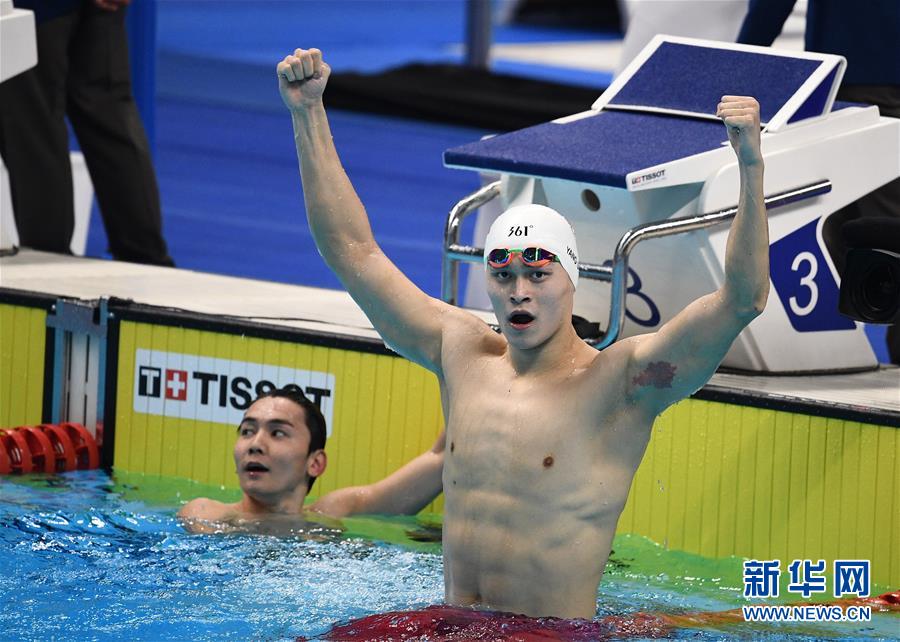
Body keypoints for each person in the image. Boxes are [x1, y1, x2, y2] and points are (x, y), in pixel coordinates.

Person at [277, 47, 768, 619]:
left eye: (538, 273)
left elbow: (742, 300)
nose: (519, 291)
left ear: (572, 279)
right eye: (503, 274)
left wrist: (750, 167)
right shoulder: (458, 349)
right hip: (452, 625)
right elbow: (351, 251)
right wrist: (308, 112)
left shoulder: (622, 382)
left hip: (550, 635)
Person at [738, 0, 900, 363]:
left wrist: (743, 63)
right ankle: (831, 353)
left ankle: (829, 353)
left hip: (854, 75)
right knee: (836, 231)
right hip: (851, 75)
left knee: (841, 227)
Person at [0, 0, 174, 265]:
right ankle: (148, 260)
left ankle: (48, 266)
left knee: (36, 132)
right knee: (110, 116)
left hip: (32, 9)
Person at [178, 386, 444, 534]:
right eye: (247, 431)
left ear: (315, 463)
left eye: (278, 433)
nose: (256, 444)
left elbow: (441, 459)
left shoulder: (333, 512)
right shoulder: (206, 513)